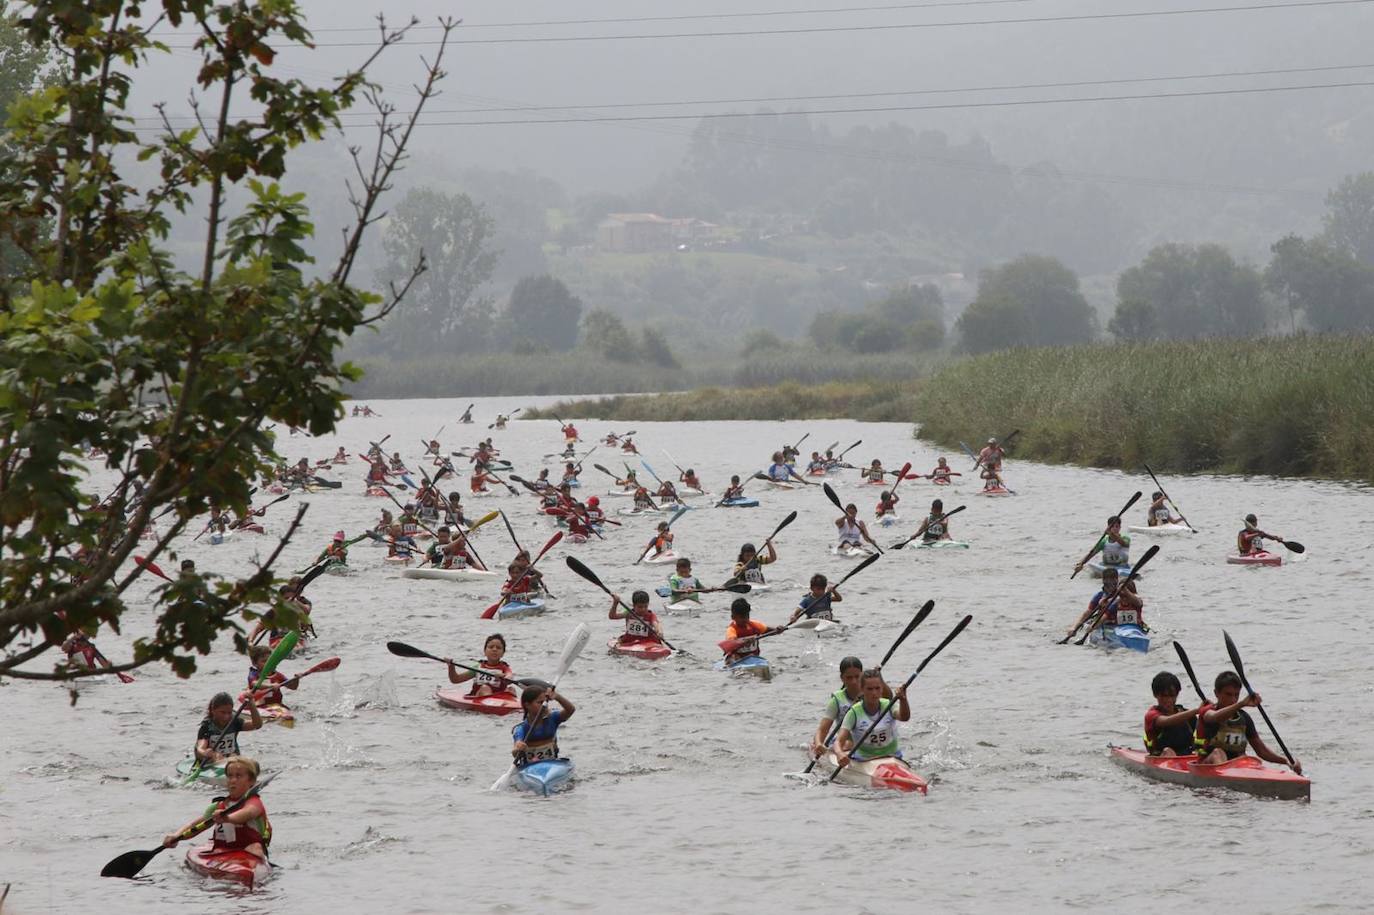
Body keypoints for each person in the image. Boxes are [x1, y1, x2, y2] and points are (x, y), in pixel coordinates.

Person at [162, 755, 272, 866]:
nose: (233, 780)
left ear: (251, 781)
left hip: (248, 850)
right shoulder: (218, 806)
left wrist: (228, 818)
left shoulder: (254, 802)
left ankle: (255, 871)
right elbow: (194, 825)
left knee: (256, 848)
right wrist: (176, 836)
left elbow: (248, 812)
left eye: (239, 776)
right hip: (222, 851)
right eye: (230, 776)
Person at [1195, 671, 1302, 774]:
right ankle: (1228, 780)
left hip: (1235, 766)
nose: (1233, 699)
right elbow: (1215, 717)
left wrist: (1287, 761)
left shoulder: (1244, 718)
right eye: (1228, 694)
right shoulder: (1207, 712)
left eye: (1236, 695)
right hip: (1206, 764)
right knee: (1218, 753)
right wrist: (1241, 703)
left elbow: (1262, 751)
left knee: (1248, 759)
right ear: (1216, 693)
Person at [812, 657, 892, 757]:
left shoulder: (871, 692)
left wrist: (880, 678)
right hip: (847, 744)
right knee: (848, 744)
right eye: (849, 678)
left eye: (857, 677)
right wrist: (819, 744)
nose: (854, 681)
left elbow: (889, 698)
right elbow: (822, 729)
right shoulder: (837, 700)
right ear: (842, 678)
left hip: (872, 742)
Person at [833, 669, 910, 769]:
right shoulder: (854, 713)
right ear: (862, 689)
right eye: (869, 689)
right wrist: (839, 753)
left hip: (893, 758)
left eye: (877, 688)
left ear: (882, 688)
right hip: (865, 761)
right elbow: (838, 741)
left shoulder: (889, 705)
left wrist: (903, 699)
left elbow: (904, 717)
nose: (874, 693)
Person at [1064, 567, 1144, 638]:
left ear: (1117, 580)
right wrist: (1074, 627)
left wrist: (1124, 591)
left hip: (1130, 628)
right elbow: (1087, 613)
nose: (1110, 583)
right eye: (1107, 580)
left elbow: (1136, 601)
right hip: (1107, 626)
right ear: (1103, 581)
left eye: (1113, 580)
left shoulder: (1123, 595)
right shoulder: (1099, 596)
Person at [512, 686, 575, 767]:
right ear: (527, 705)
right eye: (540, 702)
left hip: (552, 765)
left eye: (545, 702)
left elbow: (571, 710)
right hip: (530, 769)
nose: (544, 706)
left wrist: (557, 697)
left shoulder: (553, 718)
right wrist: (518, 748)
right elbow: (515, 751)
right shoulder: (521, 729)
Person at [1143, 671, 1201, 757]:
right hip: (1161, 756)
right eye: (1164, 696)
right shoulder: (1151, 715)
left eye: (1172, 696)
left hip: (1187, 757)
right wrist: (1197, 710)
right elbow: (1166, 721)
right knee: (1168, 751)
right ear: (1155, 695)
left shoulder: (1188, 716)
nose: (1168, 700)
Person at [194, 692, 262, 766]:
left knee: (233, 756)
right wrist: (205, 752)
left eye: (229, 713)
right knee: (216, 756)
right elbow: (200, 748)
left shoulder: (234, 721)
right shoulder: (207, 726)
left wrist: (252, 705)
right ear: (213, 710)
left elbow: (257, 725)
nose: (226, 717)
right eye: (222, 712)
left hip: (231, 758)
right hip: (210, 760)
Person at [447, 634, 515, 698]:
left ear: (503, 653)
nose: (494, 649)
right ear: (485, 651)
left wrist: (503, 677)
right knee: (485, 688)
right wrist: (451, 667)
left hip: (499, 698)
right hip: (479, 697)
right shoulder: (478, 667)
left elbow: (509, 677)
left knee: (511, 689)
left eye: (498, 648)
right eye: (491, 647)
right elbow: (456, 680)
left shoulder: (505, 668)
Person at [723, 598, 783, 665]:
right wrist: (744, 641)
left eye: (747, 616)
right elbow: (732, 642)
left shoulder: (754, 625)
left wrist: (778, 630)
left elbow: (768, 630)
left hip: (753, 658)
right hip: (737, 659)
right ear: (733, 617)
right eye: (742, 617)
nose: (745, 619)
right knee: (732, 657)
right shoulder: (732, 630)